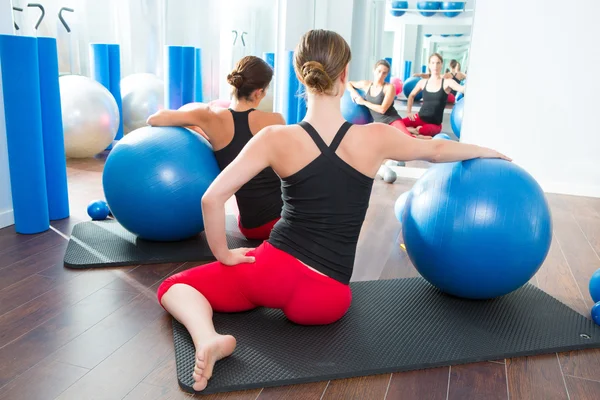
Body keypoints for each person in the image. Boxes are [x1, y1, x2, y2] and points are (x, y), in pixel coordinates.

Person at [156, 29, 510, 392]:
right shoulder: (375, 137)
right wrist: (486, 150)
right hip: (328, 297)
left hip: (270, 274)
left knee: (174, 287)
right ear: (344, 76)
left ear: (299, 75)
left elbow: (211, 199)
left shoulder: (276, 138)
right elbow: (435, 151)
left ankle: (207, 338)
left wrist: (225, 254)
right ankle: (213, 336)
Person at [147, 56, 285, 240]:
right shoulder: (275, 120)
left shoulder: (208, 116)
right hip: (284, 222)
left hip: (251, 228)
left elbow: (154, 119)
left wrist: (196, 128)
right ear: (259, 92)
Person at [403, 53, 465, 137]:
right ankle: (415, 132)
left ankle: (416, 133)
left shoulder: (446, 82)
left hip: (434, 125)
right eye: (433, 63)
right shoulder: (423, 82)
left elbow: (462, 89)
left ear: (441, 65)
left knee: (423, 130)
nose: (435, 66)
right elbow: (411, 95)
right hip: (420, 118)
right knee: (398, 124)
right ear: (429, 65)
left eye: (438, 63)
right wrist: (409, 112)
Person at [346, 60, 413, 137]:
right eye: (379, 71)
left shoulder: (389, 87)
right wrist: (353, 92)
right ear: (374, 71)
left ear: (387, 74)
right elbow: (349, 83)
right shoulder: (366, 84)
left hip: (392, 121)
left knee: (408, 140)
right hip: (380, 125)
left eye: (384, 73)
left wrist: (363, 102)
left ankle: (422, 139)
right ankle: (416, 133)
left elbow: (382, 109)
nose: (381, 75)